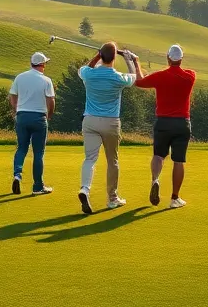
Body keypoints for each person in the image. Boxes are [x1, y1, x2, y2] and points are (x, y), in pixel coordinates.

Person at [77, 41, 139, 214]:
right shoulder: (117, 77)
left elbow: (85, 68)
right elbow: (133, 78)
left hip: (89, 120)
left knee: (90, 158)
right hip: (110, 122)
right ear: (114, 58)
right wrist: (130, 59)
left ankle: (85, 189)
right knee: (112, 160)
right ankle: (112, 198)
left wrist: (96, 55)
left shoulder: (89, 74)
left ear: (101, 57)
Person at [135, 44, 195, 209]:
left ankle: (155, 180)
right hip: (182, 123)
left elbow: (139, 81)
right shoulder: (190, 76)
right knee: (178, 160)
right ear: (181, 59)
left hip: (163, 122)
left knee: (158, 155)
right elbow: (178, 71)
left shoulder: (160, 76)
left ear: (168, 58)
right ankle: (174, 198)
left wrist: (135, 62)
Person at [8, 51, 56, 195]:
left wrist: (17, 110)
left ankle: (17, 175)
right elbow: (51, 101)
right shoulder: (46, 80)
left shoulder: (20, 77)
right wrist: (49, 115)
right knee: (38, 153)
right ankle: (38, 186)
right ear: (42, 65)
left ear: (31, 64)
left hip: (22, 116)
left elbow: (12, 96)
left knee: (21, 148)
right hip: (39, 118)